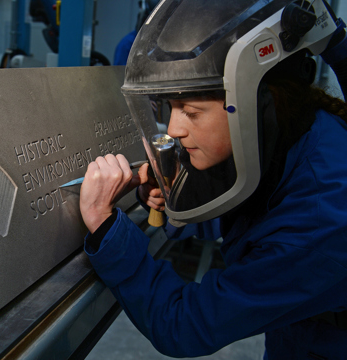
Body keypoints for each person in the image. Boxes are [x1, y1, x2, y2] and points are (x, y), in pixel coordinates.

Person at [79, 1, 347, 359]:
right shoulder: (295, 134)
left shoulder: (321, 222)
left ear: (256, 104)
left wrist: (106, 228)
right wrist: (176, 192)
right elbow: (257, 211)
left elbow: (185, 324)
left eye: (191, 111)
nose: (174, 129)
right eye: (169, 108)